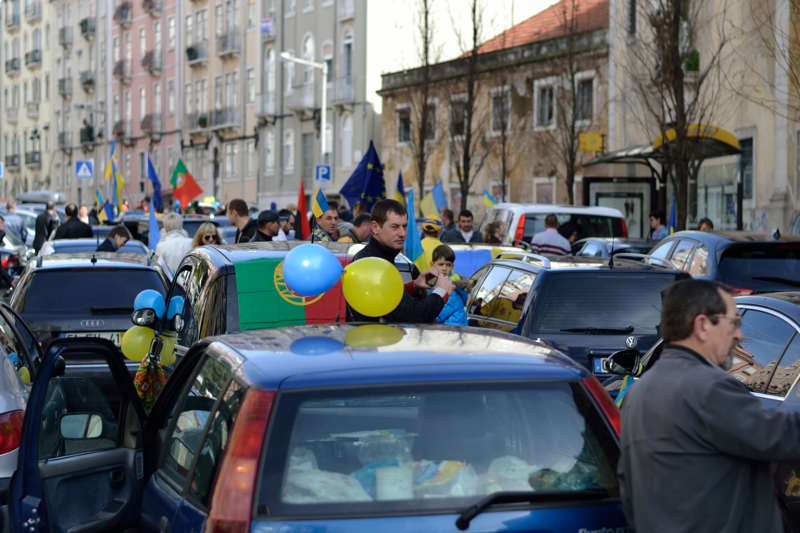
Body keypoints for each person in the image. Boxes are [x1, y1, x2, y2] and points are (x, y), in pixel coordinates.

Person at [618, 279, 800, 533]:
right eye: (734, 322)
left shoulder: (640, 391)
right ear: (702, 326)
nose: (740, 334)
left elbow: (627, 486)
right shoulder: (708, 387)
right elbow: (782, 437)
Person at [350, 199, 453, 323]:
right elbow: (415, 315)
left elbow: (388, 301)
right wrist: (441, 291)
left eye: (404, 226)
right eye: (395, 227)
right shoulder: (374, 264)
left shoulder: (379, 258)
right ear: (375, 227)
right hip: (376, 340)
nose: (402, 233)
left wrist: (413, 286)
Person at [429, 244, 468, 326]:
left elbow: (436, 316)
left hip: (452, 332)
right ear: (432, 264)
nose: (444, 268)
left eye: (448, 265)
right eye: (441, 264)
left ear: (452, 267)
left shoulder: (451, 289)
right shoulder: (431, 284)